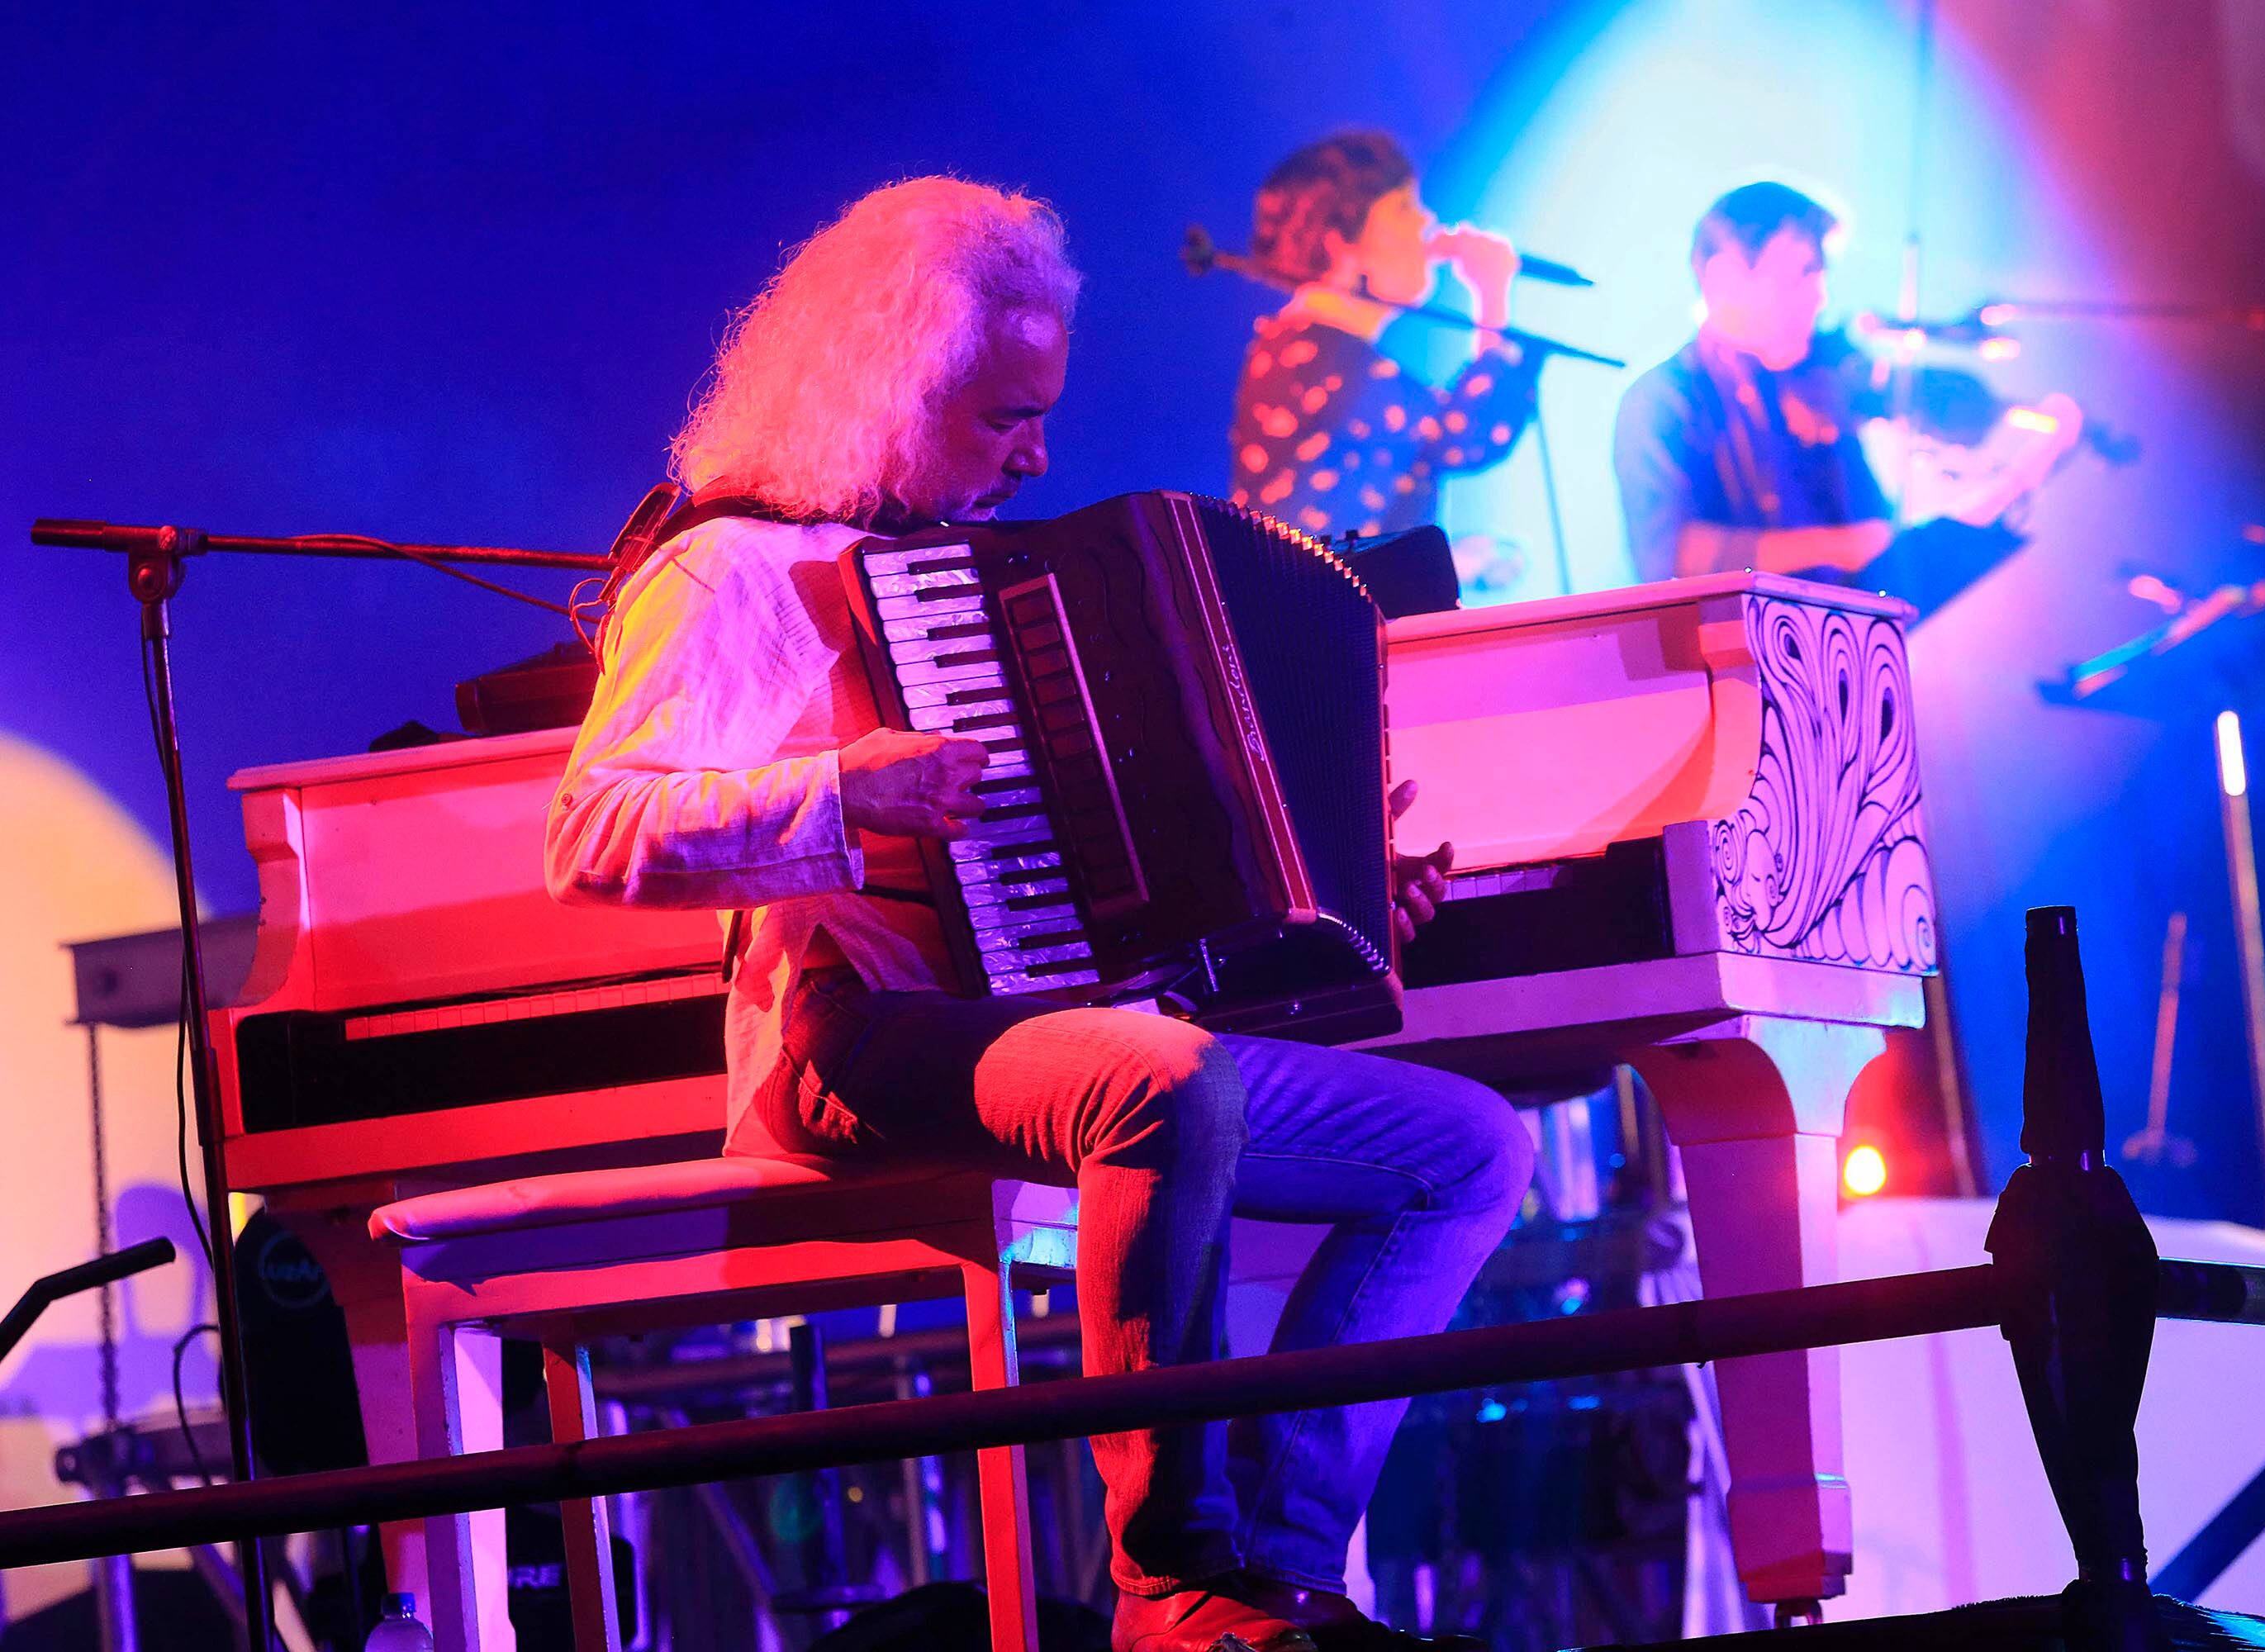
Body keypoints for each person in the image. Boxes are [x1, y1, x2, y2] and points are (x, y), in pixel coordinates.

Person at [547, 178, 1529, 1652]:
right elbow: (588, 835)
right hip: (854, 1037)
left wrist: (1333, 892)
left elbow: (1117, 895)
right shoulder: (731, 569)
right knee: (1161, 1081)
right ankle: (1172, 1581)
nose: (1040, 455)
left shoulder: (1004, 582)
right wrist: (843, 792)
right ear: (893, 394)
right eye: (1006, 418)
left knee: (1469, 1149)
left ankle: (1275, 1569)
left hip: (1058, 1038)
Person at [1612, 180, 2081, 589]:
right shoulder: (1663, 402)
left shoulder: (1821, 388)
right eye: (1804, 273)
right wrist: (1835, 546)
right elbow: (1667, 559)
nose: (1822, 296)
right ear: (1726, 278)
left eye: (1823, 274)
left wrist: (2018, 476)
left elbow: (1880, 543)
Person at [1230, 131, 1544, 542]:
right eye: (1403, 207)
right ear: (1340, 241)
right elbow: (1467, 434)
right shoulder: (1313, 357)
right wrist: (1492, 290)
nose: (1426, 222)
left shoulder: (1305, 349)